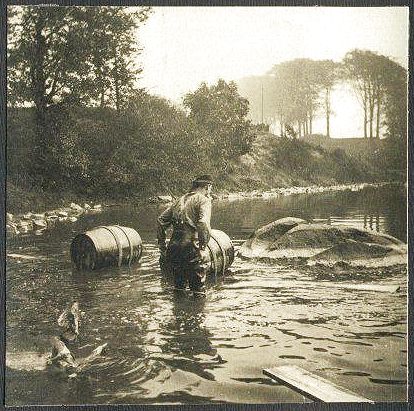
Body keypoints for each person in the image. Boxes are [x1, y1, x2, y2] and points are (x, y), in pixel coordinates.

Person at [157, 174, 213, 293]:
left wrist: (162, 246)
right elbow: (203, 223)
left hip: (174, 248)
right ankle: (197, 310)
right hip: (192, 248)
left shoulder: (179, 200)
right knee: (198, 290)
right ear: (207, 186)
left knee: (178, 287)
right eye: (210, 187)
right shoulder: (203, 200)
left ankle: (178, 309)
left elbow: (161, 220)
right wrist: (203, 246)